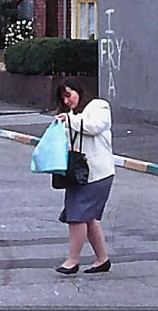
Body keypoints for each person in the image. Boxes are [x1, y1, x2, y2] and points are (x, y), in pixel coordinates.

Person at [52, 77, 115, 275]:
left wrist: (68, 120)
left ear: (79, 90)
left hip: (98, 173)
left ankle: (72, 261)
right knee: (87, 218)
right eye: (63, 98)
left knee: (77, 216)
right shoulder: (71, 114)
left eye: (68, 95)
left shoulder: (99, 106)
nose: (66, 101)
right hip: (77, 173)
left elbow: (94, 126)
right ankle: (102, 259)